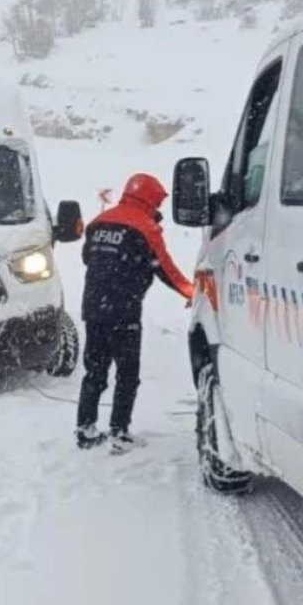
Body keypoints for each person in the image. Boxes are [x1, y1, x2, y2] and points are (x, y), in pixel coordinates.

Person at [75, 173, 193, 454]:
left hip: (93, 308)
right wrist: (192, 292)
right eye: (157, 203)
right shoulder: (144, 227)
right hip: (123, 312)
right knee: (127, 374)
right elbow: (165, 268)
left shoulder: (98, 224)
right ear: (150, 198)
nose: (159, 209)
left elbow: (86, 258)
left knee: (95, 372)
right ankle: (119, 431)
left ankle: (85, 429)